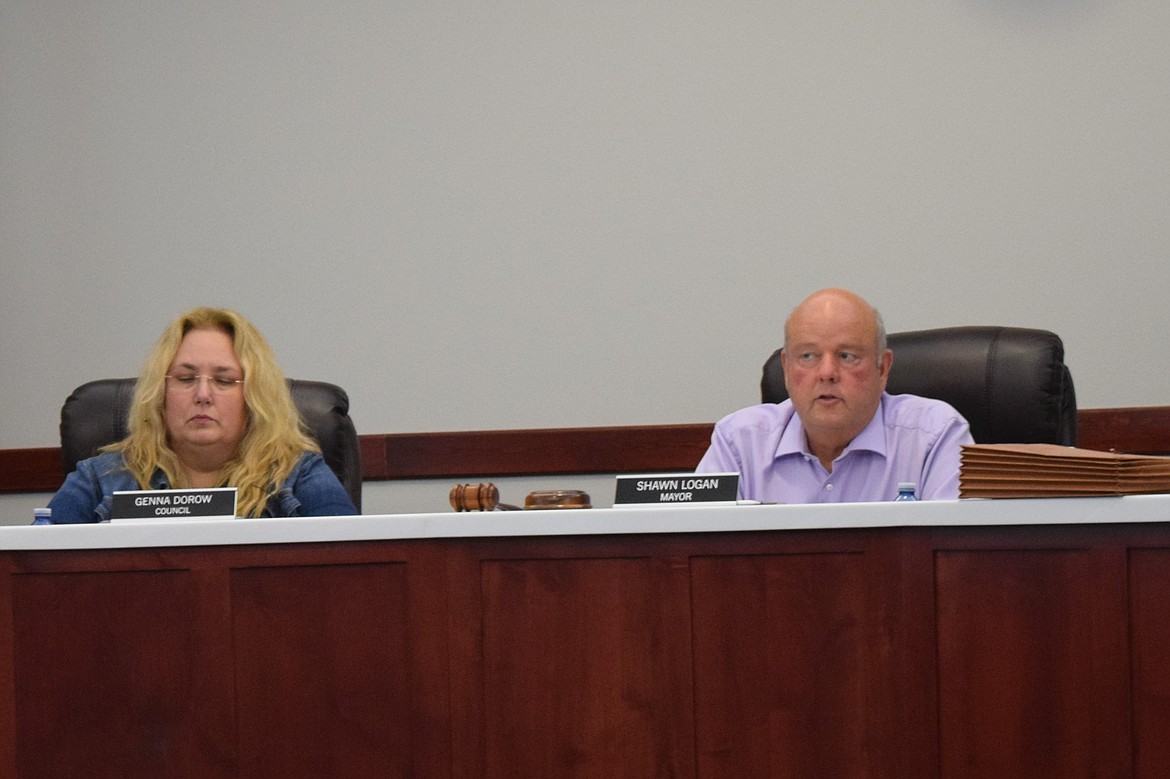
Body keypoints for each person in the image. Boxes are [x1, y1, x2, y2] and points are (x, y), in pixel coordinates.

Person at [42, 307, 358, 523]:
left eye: (223, 380)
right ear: (160, 393)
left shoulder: (298, 475)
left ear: (253, 396)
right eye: (185, 378)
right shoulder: (100, 479)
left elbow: (354, 571)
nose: (203, 395)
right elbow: (30, 578)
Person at [695, 288, 973, 502]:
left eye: (846, 356)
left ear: (883, 368)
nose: (827, 372)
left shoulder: (935, 438)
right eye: (808, 356)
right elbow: (699, 553)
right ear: (787, 370)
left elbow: (957, 563)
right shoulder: (738, 444)